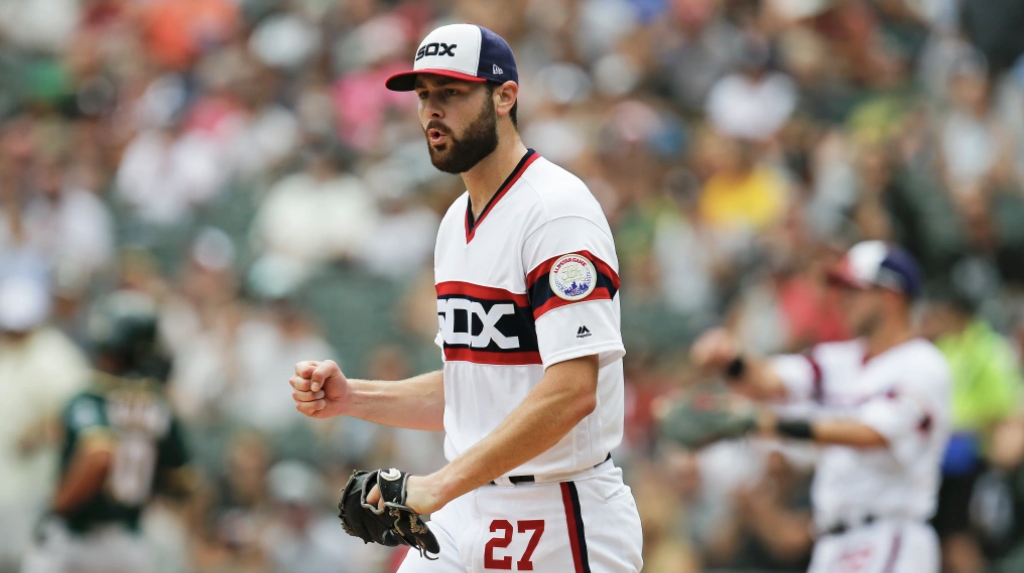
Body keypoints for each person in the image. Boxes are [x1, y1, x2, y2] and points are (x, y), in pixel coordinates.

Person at [289, 23, 643, 573]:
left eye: (451, 93)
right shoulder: (455, 222)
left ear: (505, 96)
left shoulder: (555, 211)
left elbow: (574, 391)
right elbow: (472, 387)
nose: (432, 110)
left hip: (559, 515)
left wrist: (437, 485)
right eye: (425, 95)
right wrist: (354, 397)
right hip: (467, 510)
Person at [689, 240, 952, 573]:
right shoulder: (841, 359)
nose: (842, 299)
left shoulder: (923, 363)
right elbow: (770, 380)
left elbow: (869, 434)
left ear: (891, 296)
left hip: (889, 534)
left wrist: (762, 423)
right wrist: (731, 360)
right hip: (833, 543)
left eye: (854, 289)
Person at [21, 290, 194, 573]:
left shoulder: (92, 397)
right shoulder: (160, 406)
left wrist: (56, 507)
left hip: (75, 538)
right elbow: (182, 481)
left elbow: (99, 453)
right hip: (127, 543)